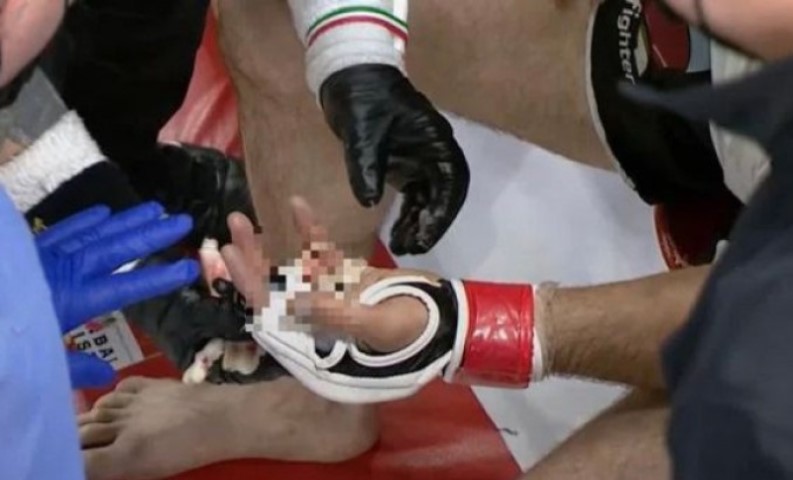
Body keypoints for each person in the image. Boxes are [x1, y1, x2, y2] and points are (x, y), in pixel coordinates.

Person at [78, 1, 792, 479]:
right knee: (279, 10)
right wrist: (352, 53)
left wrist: (461, 325)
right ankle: (319, 401)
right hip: (713, 71)